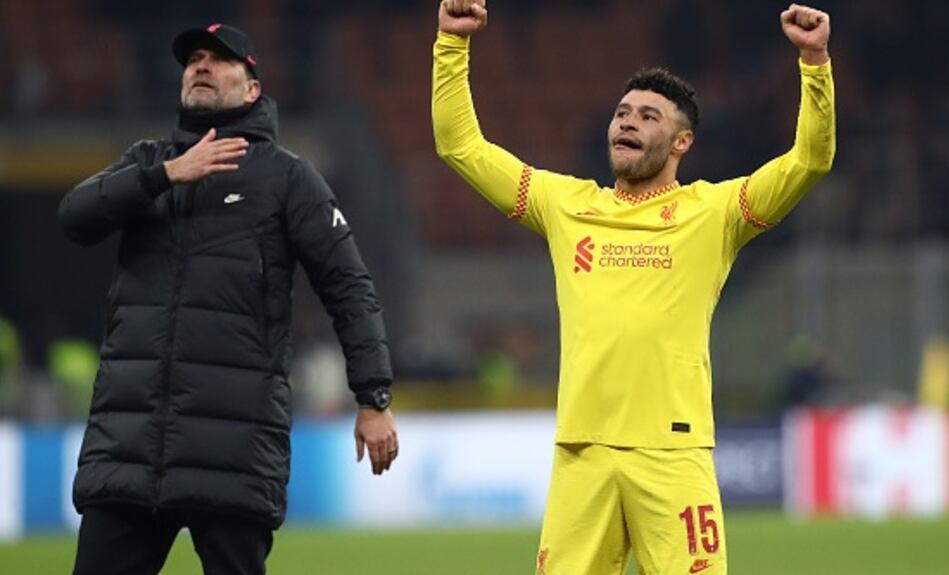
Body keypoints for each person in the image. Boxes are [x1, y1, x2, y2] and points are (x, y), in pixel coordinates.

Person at [432, 2, 835, 573]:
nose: (627, 121)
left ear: (682, 143)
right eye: (622, 112)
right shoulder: (565, 205)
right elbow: (460, 147)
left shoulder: (715, 212)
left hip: (672, 455)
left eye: (648, 116)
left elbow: (810, 161)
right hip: (582, 453)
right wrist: (452, 45)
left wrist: (814, 62)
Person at [59, 23, 398, 575]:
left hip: (232, 453)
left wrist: (373, 397)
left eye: (219, 60)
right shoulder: (148, 165)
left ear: (252, 90)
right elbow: (74, 217)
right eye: (193, 59)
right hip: (130, 451)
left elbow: (348, 287)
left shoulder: (290, 180)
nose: (200, 66)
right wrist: (166, 175)